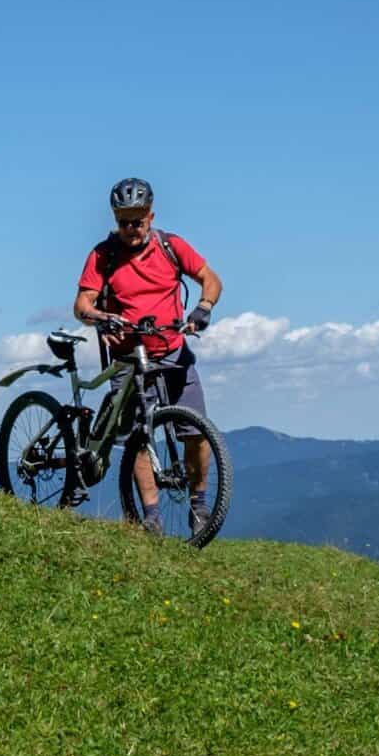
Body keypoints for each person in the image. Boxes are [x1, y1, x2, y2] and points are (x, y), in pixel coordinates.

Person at [73, 177, 223, 534]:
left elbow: (211, 279)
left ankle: (199, 505)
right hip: (128, 356)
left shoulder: (171, 246)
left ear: (151, 216)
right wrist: (100, 317)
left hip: (173, 352)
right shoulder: (103, 255)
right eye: (123, 221)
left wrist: (203, 308)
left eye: (137, 221)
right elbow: (81, 304)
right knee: (139, 438)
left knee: (196, 434)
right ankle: (152, 516)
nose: (130, 228)